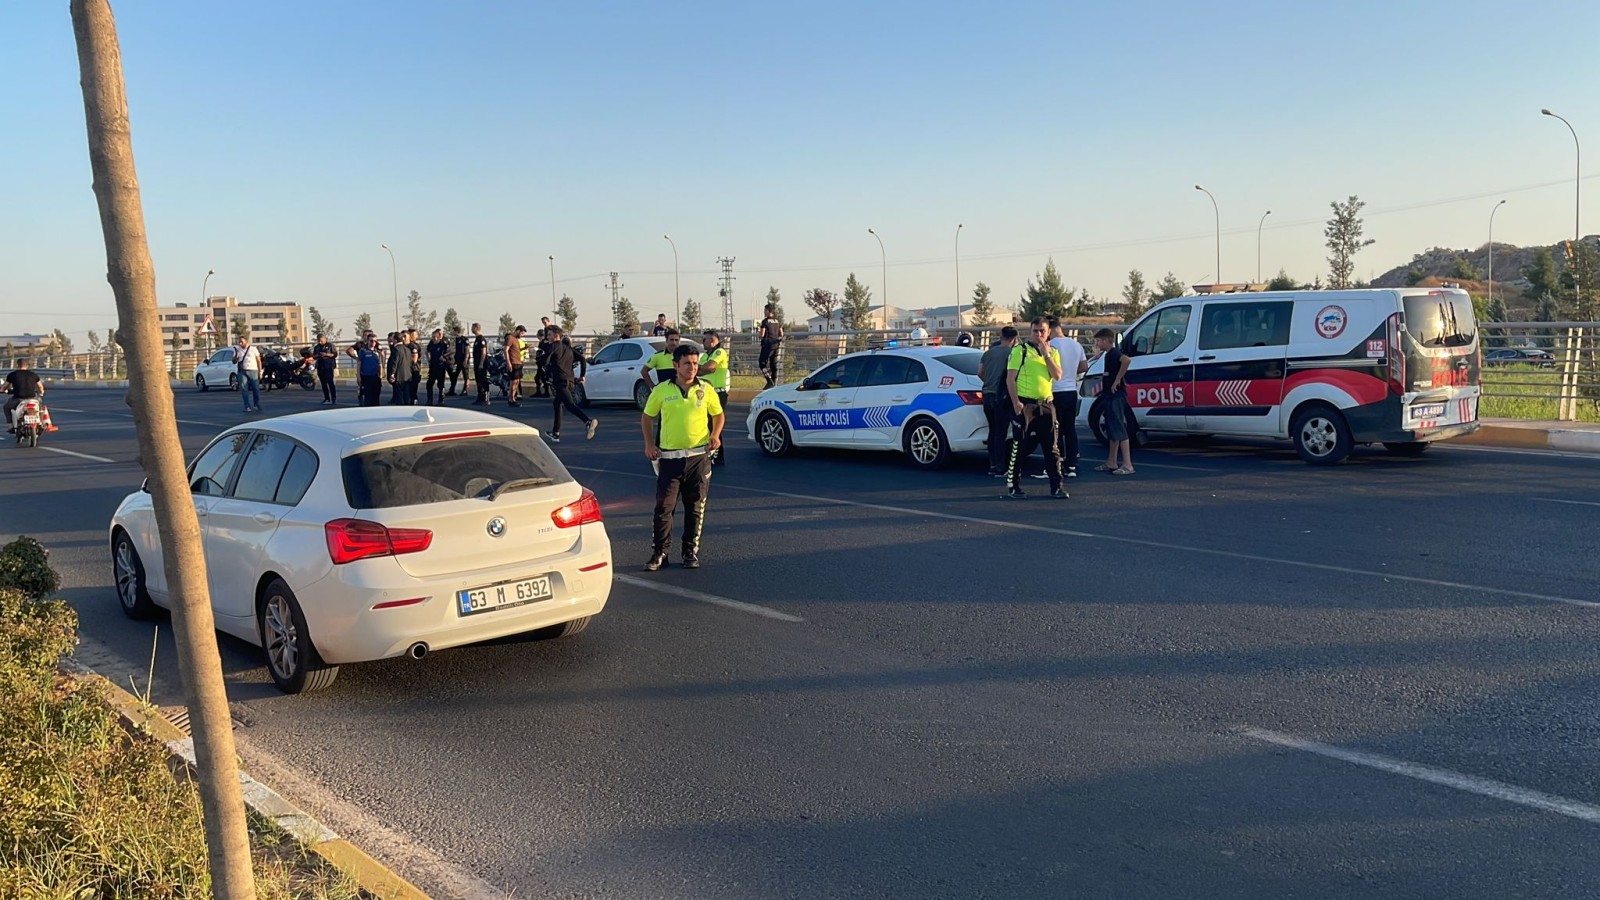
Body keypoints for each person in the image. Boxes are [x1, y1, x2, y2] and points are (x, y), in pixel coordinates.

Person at [640, 344, 724, 571]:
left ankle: (689, 552)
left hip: (698, 457)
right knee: (664, 508)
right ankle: (660, 552)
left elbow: (718, 415)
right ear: (676, 365)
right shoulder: (662, 390)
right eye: (687, 363)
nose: (693, 368)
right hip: (670, 459)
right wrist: (649, 444)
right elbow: (647, 417)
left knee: (695, 507)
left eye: (695, 363)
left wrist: (715, 435)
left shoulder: (706, 389)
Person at [1004, 317, 1066, 500]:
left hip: (1046, 404)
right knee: (1020, 446)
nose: (1038, 334)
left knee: (1052, 448)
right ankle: (1013, 485)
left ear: (1048, 333)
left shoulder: (1052, 352)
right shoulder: (1020, 351)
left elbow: (1057, 375)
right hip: (1025, 404)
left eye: (1042, 331)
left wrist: (1046, 354)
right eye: (1035, 331)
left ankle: (1057, 487)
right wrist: (1016, 402)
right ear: (1030, 332)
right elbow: (1010, 378)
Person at [1048, 318, 1089, 478]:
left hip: (1055, 391)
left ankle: (1058, 462)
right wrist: (1070, 372)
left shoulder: (1050, 346)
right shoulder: (1076, 344)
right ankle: (1072, 464)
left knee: (1055, 430)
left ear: (1049, 329)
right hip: (1071, 390)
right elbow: (1084, 366)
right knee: (1070, 429)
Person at [543, 325, 596, 443]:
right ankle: (555, 433)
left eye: (549, 334)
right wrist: (582, 375)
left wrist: (546, 365)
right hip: (571, 382)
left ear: (556, 335)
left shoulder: (554, 346)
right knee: (557, 403)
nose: (547, 337)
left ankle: (587, 422)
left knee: (570, 405)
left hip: (560, 382)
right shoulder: (568, 349)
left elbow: (545, 361)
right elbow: (582, 359)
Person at [978, 326, 1019, 477]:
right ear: (1014, 339)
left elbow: (980, 372)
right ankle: (1002, 466)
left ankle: (993, 465)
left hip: (986, 394)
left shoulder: (988, 353)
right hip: (1001, 396)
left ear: (1001, 336)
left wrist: (988, 382)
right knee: (1001, 432)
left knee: (993, 430)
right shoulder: (1012, 353)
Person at [1093, 327, 1134, 476]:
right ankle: (1112, 461)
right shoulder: (1107, 355)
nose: (1097, 344)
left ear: (1105, 340)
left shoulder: (1115, 353)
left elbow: (1126, 360)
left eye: (1098, 341)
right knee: (1111, 428)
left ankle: (1128, 464)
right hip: (1109, 395)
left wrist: (1117, 379)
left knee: (1119, 428)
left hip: (1116, 395)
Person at [700, 329, 730, 466]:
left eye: (705, 339)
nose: (702, 342)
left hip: (718, 392)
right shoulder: (705, 355)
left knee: (714, 425)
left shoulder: (719, 352)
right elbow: (700, 369)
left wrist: (696, 367)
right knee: (706, 424)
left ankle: (717, 456)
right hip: (706, 392)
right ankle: (710, 453)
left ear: (712, 341)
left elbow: (710, 368)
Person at [4, 359, 45, 433]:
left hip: (18, 399)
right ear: (28, 365)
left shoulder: (12, 375)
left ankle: (10, 425)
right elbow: (40, 387)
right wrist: (41, 393)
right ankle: (41, 422)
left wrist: (5, 391)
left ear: (17, 365)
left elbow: (4, 387)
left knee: (6, 407)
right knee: (40, 407)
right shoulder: (33, 375)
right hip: (33, 398)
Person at [347, 331, 385, 406]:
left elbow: (382, 361)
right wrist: (358, 376)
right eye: (371, 341)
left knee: (376, 396)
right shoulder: (363, 351)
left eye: (375, 341)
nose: (373, 343)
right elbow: (359, 363)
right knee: (368, 397)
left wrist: (382, 370)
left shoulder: (377, 351)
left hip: (376, 376)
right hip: (366, 376)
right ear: (367, 341)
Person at [233, 335, 263, 413]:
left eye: (241, 341)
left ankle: (256, 404)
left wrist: (260, 372)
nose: (240, 343)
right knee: (244, 389)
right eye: (239, 341)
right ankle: (247, 406)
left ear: (246, 341)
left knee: (255, 388)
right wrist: (236, 355)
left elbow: (258, 361)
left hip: (253, 370)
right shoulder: (238, 350)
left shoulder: (253, 349)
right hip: (242, 371)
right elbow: (233, 361)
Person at [758, 303, 783, 388]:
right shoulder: (777, 321)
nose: (764, 312)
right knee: (773, 364)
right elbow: (781, 333)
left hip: (767, 344)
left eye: (765, 310)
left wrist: (759, 330)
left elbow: (762, 334)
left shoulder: (765, 321)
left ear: (768, 311)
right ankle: (774, 382)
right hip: (775, 344)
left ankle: (769, 380)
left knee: (762, 363)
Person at [390, 330, 419, 405]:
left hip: (399, 376)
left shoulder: (396, 349)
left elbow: (395, 362)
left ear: (395, 340)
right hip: (407, 375)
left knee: (399, 397)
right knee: (406, 396)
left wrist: (392, 374)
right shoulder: (407, 349)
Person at [425, 328, 450, 405]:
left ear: (439, 337)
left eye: (435, 336)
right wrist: (429, 359)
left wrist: (444, 356)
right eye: (433, 337)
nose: (434, 338)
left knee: (441, 384)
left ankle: (441, 400)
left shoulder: (443, 344)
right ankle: (429, 400)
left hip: (440, 366)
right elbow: (427, 351)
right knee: (429, 384)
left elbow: (452, 350)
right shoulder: (431, 343)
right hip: (433, 366)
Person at [312, 334, 339, 404]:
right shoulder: (317, 347)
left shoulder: (330, 345)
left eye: (321, 340)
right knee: (323, 383)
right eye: (318, 341)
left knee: (330, 382)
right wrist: (318, 355)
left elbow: (335, 354)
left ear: (325, 339)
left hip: (328, 366)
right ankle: (327, 398)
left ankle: (334, 398)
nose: (320, 342)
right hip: (320, 366)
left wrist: (326, 354)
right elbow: (314, 356)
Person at [505, 326, 526, 407]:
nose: (522, 335)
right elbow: (506, 350)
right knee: (513, 381)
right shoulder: (510, 338)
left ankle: (514, 397)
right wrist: (508, 362)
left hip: (518, 362)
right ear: (518, 331)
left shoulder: (516, 340)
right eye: (521, 333)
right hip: (513, 362)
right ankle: (511, 398)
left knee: (517, 381)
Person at [471, 323, 491, 405]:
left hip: (481, 363)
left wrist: (481, 363)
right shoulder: (476, 339)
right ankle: (480, 397)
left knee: (483, 380)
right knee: (478, 380)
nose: (471, 329)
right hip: (476, 362)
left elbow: (483, 353)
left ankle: (486, 398)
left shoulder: (481, 339)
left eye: (472, 328)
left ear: (476, 328)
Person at [448, 326, 468, 395]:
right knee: (454, 375)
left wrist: (465, 359)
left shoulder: (464, 339)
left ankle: (465, 390)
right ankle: (452, 390)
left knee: (465, 375)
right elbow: (455, 349)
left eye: (454, 331)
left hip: (463, 360)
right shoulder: (456, 339)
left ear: (456, 331)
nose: (453, 332)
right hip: (457, 360)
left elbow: (467, 349)